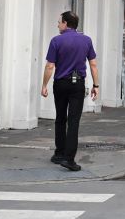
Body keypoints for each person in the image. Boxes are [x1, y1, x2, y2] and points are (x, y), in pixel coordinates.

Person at [41, 11, 98, 172]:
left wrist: (44, 85)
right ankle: (69, 158)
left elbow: (50, 66)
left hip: (60, 83)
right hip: (77, 84)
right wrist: (96, 85)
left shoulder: (56, 41)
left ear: (66, 23)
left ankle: (59, 153)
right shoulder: (86, 40)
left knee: (60, 118)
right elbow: (93, 64)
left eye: (59, 22)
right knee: (74, 121)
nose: (58, 25)